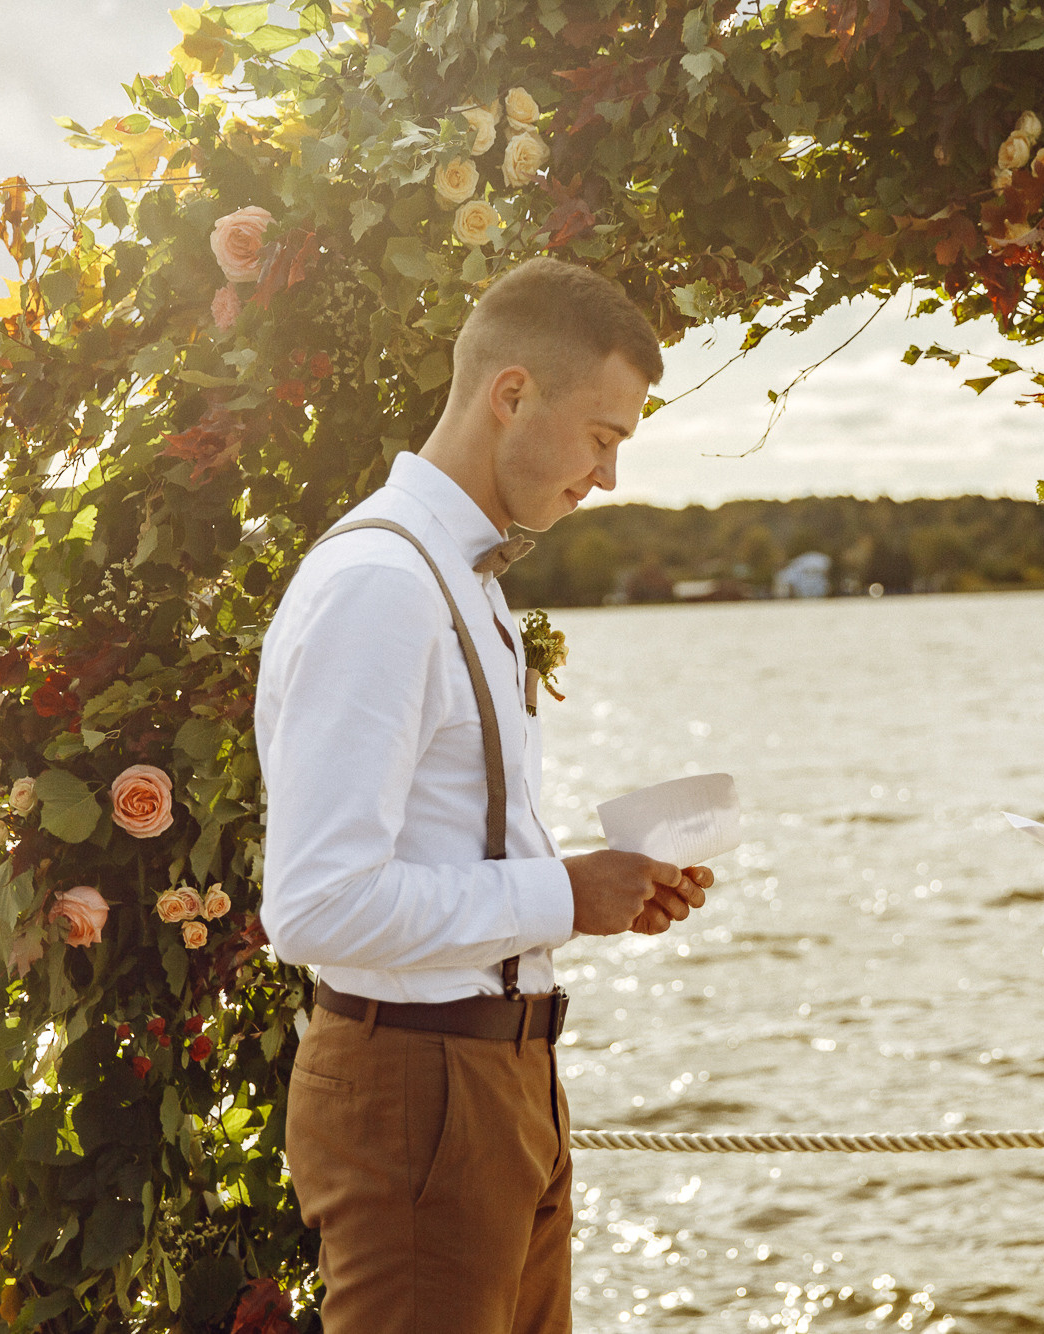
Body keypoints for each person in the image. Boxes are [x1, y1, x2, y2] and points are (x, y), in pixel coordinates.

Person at [257, 257, 714, 1332]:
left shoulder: (455, 573)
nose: (604, 476)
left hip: (496, 1080)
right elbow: (316, 902)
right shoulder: (382, 583)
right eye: (602, 435)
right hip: (423, 1088)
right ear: (511, 394)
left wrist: (597, 889)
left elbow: (440, 842)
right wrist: (561, 895)